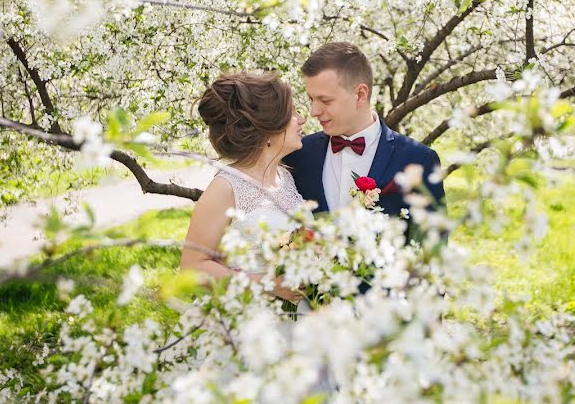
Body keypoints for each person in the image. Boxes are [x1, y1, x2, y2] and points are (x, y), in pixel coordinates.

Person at [282, 42, 445, 228]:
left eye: (325, 100)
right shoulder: (298, 155)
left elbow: (432, 246)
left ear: (360, 94)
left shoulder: (419, 160)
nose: (314, 111)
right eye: (311, 99)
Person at [180, 72, 306, 303]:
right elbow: (192, 268)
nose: (302, 119)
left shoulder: (286, 176)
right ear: (269, 128)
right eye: (293, 113)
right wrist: (269, 284)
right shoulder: (226, 187)